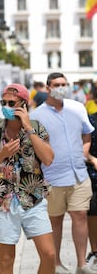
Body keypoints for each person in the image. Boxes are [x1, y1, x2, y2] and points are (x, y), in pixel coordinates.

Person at [0, 83, 56, 274]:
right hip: (2, 201)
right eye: (3, 102)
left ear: (23, 103)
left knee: (49, 254)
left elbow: (48, 159)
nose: (6, 106)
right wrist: (1, 155)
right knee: (5, 260)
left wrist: (29, 129)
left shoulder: (37, 127)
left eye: (11, 102)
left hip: (33, 198)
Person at [30, 72, 95, 274]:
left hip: (78, 174)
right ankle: (56, 263)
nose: (61, 87)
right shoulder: (36, 116)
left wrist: (84, 151)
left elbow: (87, 132)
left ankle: (81, 264)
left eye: (64, 84)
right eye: (57, 84)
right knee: (55, 220)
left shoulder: (77, 108)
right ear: (48, 88)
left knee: (80, 215)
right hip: (52, 176)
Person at [86, 112, 97, 271]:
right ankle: (95, 251)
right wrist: (92, 159)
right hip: (93, 173)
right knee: (93, 211)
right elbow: (80, 146)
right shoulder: (90, 119)